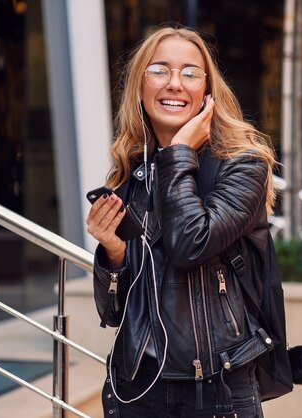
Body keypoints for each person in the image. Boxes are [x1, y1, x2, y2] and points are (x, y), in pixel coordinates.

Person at [86, 26, 277, 418]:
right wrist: (114, 253)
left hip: (220, 390)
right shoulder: (132, 174)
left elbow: (192, 244)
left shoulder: (243, 165)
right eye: (160, 70)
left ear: (207, 91)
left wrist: (178, 153)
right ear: (140, 86)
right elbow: (113, 313)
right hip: (137, 389)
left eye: (190, 73)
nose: (175, 83)